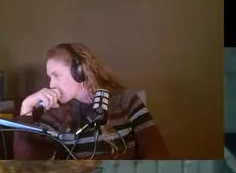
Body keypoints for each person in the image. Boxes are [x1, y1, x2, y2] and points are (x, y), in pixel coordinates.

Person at [13, 42, 168, 161]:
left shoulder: (126, 100)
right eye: (50, 77)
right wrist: (26, 108)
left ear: (79, 71)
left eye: (56, 75)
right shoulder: (55, 113)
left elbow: (157, 152)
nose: (51, 84)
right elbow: (27, 164)